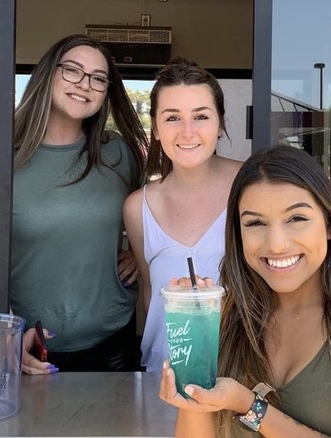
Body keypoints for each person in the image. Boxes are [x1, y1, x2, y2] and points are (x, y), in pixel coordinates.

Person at [159, 146, 331, 437]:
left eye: (296, 219)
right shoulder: (231, 317)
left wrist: (249, 405)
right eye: (255, 223)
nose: (276, 244)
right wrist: (195, 361)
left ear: (330, 225)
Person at [10, 34, 147, 374]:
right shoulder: (6, 159)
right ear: (48, 74)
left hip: (113, 336)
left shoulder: (119, 154)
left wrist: (136, 253)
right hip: (29, 343)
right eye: (73, 70)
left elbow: (151, 215)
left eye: (98, 78)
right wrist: (6, 333)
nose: (85, 84)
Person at [123, 58, 242, 372]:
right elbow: (150, 295)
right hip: (161, 382)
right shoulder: (138, 207)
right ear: (157, 129)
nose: (187, 132)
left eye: (201, 116)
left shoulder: (251, 186)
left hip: (240, 381)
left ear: (220, 124)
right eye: (172, 118)